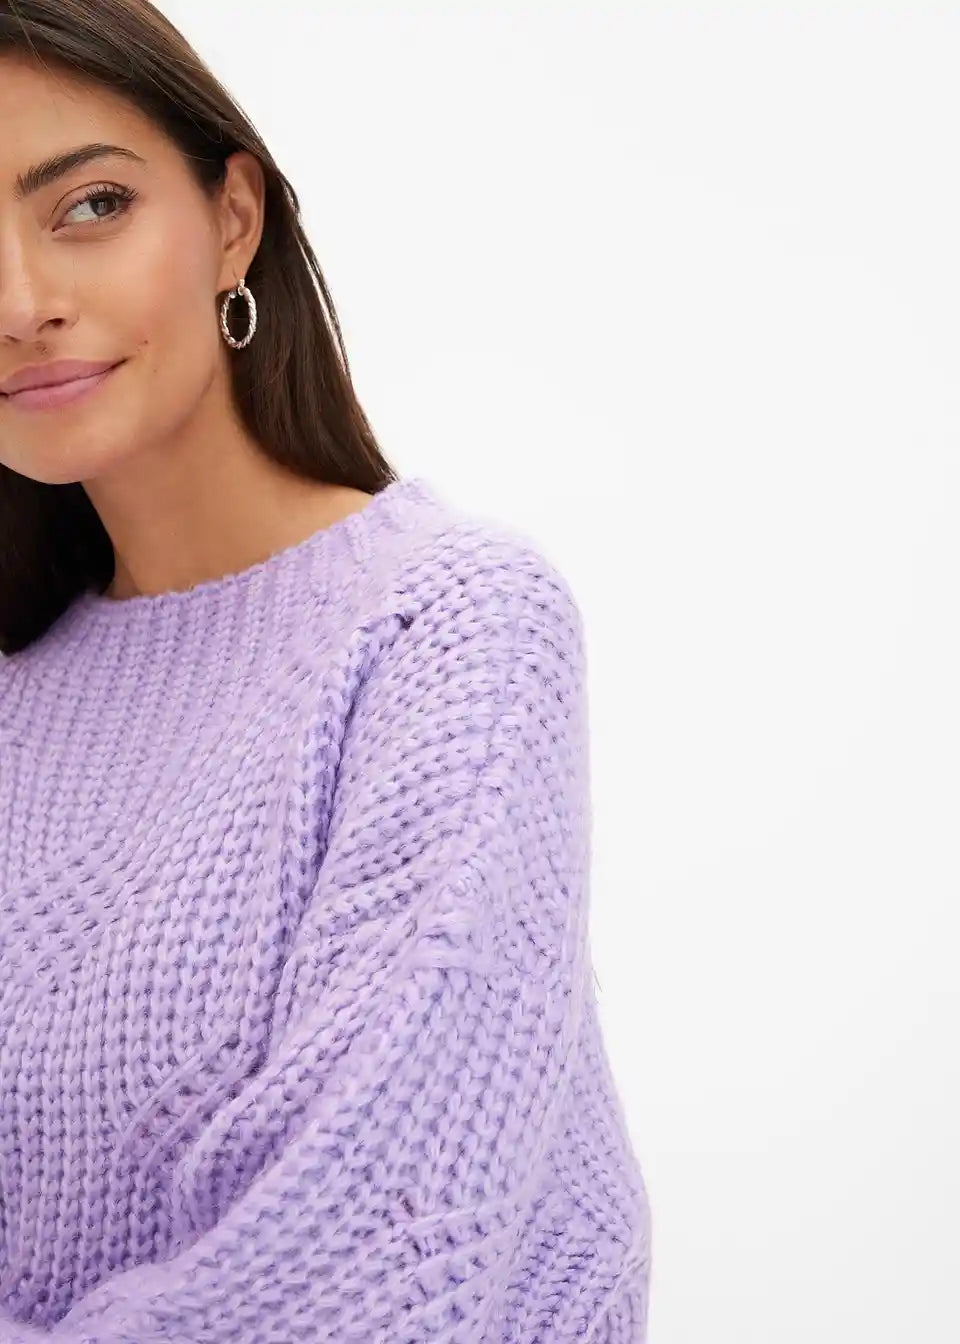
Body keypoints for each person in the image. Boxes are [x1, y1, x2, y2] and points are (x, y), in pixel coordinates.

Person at [0, 2, 652, 1340]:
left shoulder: (446, 630)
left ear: (232, 219)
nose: (20, 304)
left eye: (90, 207)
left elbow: (371, 1274)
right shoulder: (20, 692)